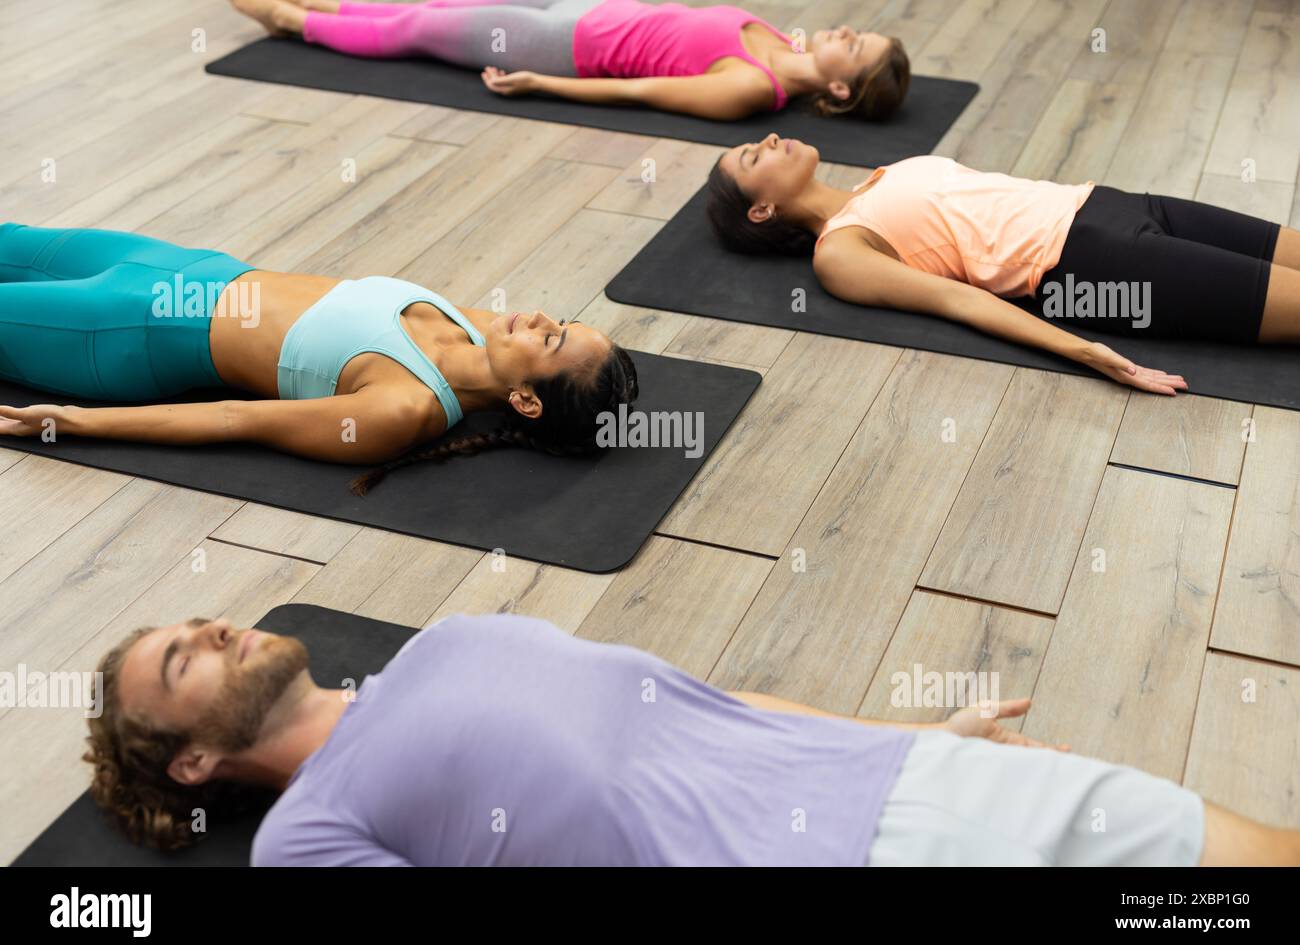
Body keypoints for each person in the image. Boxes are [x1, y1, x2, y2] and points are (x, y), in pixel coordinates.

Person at [83, 613, 1298, 865]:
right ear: (191, 764)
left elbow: (714, 703)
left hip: (906, 782)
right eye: (180, 660)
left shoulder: (448, 638)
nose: (212, 629)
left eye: (199, 620)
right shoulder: (306, 836)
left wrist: (915, 731)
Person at [0, 223, 637, 493]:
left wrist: (76, 421)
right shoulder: (477, 327)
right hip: (188, 268)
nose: (544, 319)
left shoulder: (404, 407)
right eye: (565, 321)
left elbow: (235, 421)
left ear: (525, 400)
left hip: (122, 331)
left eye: (551, 340)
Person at [706, 135, 1300, 396]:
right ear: (761, 209)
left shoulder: (877, 179)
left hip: (1113, 203)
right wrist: (1091, 353)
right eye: (754, 155)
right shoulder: (839, 252)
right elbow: (959, 301)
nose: (774, 138)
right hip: (1097, 266)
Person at [229, 0, 909, 121]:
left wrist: (541, 84)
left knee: (417, 28)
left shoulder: (752, 90)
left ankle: (293, 21)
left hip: (565, 47)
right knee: (434, 5)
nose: (845, 30)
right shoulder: (783, 42)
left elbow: (640, 94)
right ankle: (324, 6)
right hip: (584, 7)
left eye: (854, 45)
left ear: (842, 88)